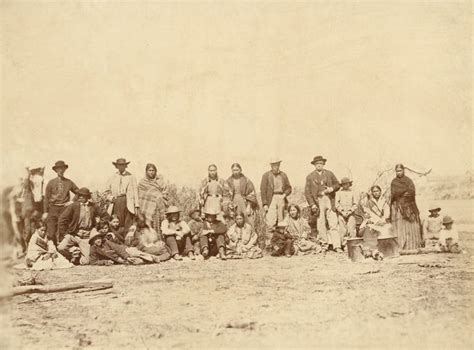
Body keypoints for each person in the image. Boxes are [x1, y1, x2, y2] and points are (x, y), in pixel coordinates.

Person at [57, 187, 109, 265]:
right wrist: (65, 234)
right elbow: (62, 219)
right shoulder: (73, 206)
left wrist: (98, 225)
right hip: (74, 235)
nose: (80, 197)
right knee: (61, 248)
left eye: (83, 195)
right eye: (79, 195)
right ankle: (75, 252)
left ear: (88, 197)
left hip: (86, 237)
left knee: (87, 261)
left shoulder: (93, 206)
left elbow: (106, 216)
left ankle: (78, 257)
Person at [304, 155, 341, 252]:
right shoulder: (310, 176)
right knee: (321, 224)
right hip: (318, 201)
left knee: (333, 223)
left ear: (323, 164)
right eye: (317, 164)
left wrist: (331, 189)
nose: (319, 165)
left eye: (321, 163)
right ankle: (324, 244)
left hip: (329, 199)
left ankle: (337, 246)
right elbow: (307, 192)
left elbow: (337, 184)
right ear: (314, 165)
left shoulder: (329, 174)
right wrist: (312, 204)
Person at [42, 160, 79, 245]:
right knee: (51, 232)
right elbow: (46, 198)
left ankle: (63, 251)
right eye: (58, 169)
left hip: (64, 209)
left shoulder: (68, 182)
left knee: (63, 231)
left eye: (62, 168)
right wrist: (45, 212)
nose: (60, 171)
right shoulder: (51, 182)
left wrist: (72, 201)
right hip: (53, 209)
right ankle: (53, 250)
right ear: (55, 170)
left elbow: (79, 192)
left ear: (65, 169)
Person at [390, 164, 422, 250]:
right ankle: (401, 246)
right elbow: (394, 193)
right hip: (399, 208)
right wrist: (403, 193)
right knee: (401, 227)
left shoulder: (409, 181)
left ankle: (412, 245)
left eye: (400, 170)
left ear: (403, 170)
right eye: (397, 171)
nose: (399, 172)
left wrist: (403, 194)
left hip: (410, 207)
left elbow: (412, 192)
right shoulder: (394, 182)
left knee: (411, 226)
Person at [104, 158, 141, 231]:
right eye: (119, 165)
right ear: (116, 166)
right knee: (117, 220)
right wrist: (111, 198)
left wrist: (136, 205)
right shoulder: (112, 177)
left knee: (128, 220)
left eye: (123, 165)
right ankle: (117, 237)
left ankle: (127, 238)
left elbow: (135, 192)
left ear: (125, 166)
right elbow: (106, 191)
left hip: (128, 201)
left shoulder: (131, 177)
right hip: (116, 201)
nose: (121, 167)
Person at [260, 158, 292, 239]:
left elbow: (289, 188)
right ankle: (270, 241)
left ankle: (281, 240)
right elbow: (263, 190)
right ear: (271, 166)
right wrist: (265, 204)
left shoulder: (283, 175)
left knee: (281, 220)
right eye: (273, 165)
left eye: (277, 165)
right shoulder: (266, 175)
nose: (275, 167)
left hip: (281, 197)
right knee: (270, 220)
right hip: (271, 198)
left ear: (279, 165)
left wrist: (284, 195)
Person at [138, 163, 169, 236]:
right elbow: (140, 195)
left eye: (153, 170)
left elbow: (165, 193)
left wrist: (160, 197)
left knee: (158, 222)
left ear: (156, 171)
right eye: (149, 170)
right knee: (146, 223)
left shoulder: (160, 181)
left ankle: (159, 238)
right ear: (146, 172)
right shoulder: (142, 182)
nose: (151, 172)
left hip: (158, 208)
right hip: (145, 209)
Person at [335, 177, 358, 244]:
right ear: (342, 185)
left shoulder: (353, 192)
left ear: (349, 184)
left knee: (351, 228)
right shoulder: (338, 193)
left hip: (351, 213)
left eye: (347, 184)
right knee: (342, 229)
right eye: (344, 184)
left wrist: (350, 211)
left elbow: (355, 204)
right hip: (341, 213)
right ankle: (344, 245)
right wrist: (342, 211)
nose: (345, 185)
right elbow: (337, 204)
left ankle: (352, 244)